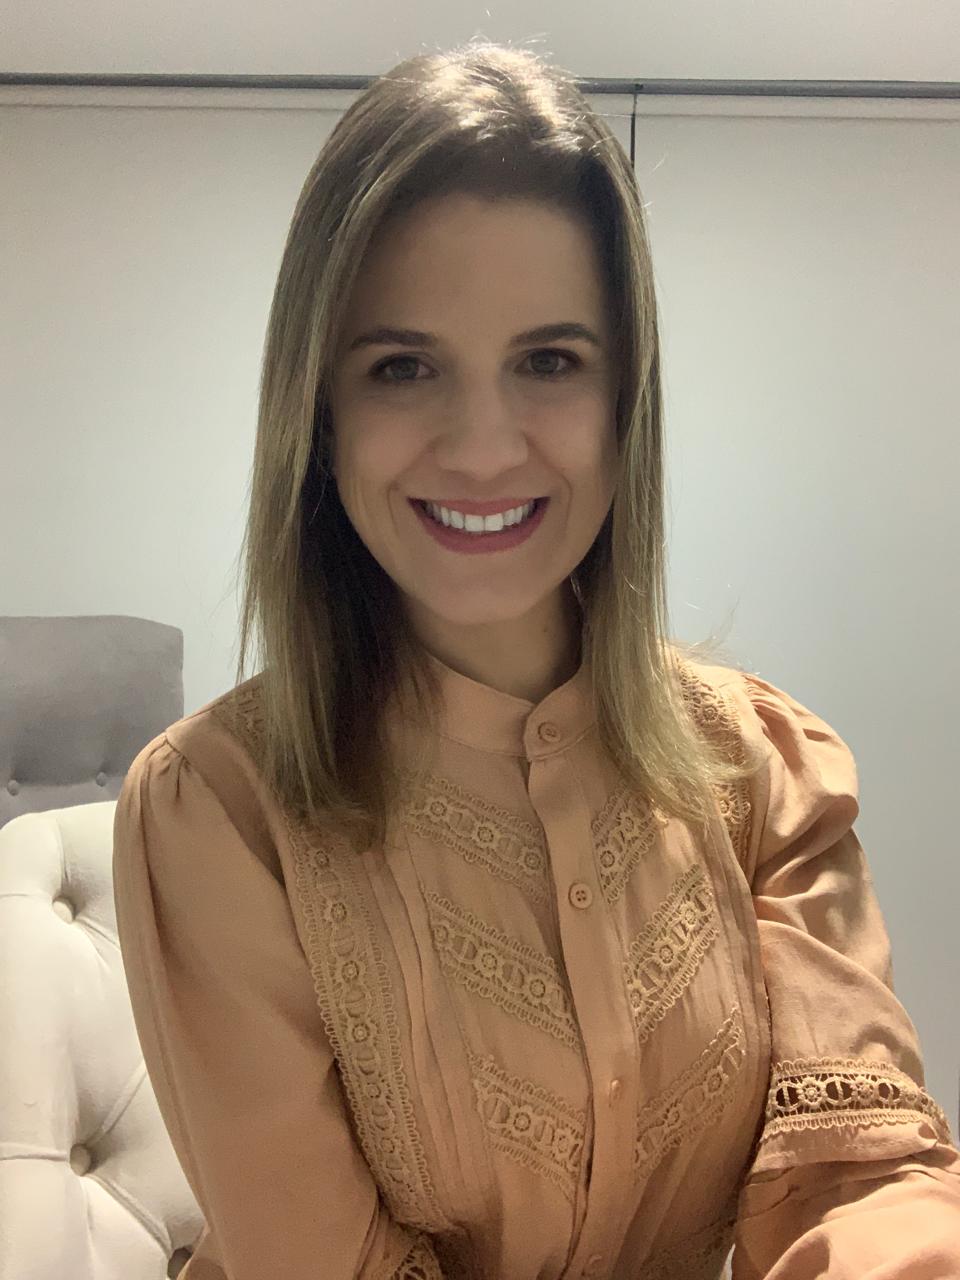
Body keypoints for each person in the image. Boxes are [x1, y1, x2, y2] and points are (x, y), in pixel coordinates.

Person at [112, 39, 960, 1280]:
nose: (483, 444)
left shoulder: (767, 770)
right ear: (321, 411)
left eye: (549, 361)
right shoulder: (219, 811)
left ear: (625, 400)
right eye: (403, 367)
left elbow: (856, 1170)